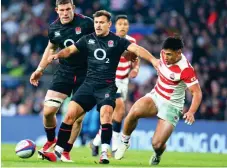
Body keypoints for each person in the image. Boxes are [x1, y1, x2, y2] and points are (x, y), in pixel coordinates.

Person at [39, 10, 158, 164]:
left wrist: (154, 61)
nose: (98, 25)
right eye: (96, 22)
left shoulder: (117, 41)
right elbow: (70, 50)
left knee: (106, 116)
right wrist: (58, 55)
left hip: (106, 87)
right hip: (88, 85)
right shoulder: (87, 39)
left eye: (102, 22)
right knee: (69, 115)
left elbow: (137, 49)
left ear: (109, 24)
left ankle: (104, 153)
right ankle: (58, 151)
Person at [114, 36, 203, 165]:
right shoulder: (163, 55)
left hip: (172, 106)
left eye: (169, 54)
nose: (165, 57)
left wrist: (191, 112)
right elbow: (146, 54)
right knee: (133, 111)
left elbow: (197, 92)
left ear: (179, 53)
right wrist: (143, 56)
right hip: (156, 95)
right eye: (164, 53)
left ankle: (157, 154)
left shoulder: (186, 70)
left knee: (157, 144)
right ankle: (124, 141)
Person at [29, 0, 94, 162]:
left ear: (73, 8)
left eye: (68, 9)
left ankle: (65, 151)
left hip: (86, 73)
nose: (65, 13)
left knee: (77, 117)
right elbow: (50, 48)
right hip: (65, 72)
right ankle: (51, 140)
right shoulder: (54, 28)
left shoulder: (87, 23)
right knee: (48, 111)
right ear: (57, 10)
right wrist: (40, 69)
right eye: (62, 10)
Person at [90, 15, 140, 156]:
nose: (123, 26)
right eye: (120, 24)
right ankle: (116, 145)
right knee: (120, 108)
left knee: (114, 115)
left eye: (125, 24)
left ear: (128, 26)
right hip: (109, 80)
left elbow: (136, 59)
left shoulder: (132, 41)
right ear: (114, 26)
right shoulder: (108, 40)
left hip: (124, 81)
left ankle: (95, 142)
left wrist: (135, 69)